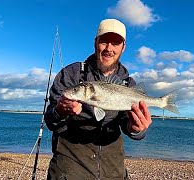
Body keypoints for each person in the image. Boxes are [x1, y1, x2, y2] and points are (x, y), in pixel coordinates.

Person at [45, 18, 152, 180]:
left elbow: (128, 126)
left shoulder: (128, 84)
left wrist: (137, 129)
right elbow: (50, 121)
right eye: (104, 41)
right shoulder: (71, 74)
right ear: (95, 43)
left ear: (123, 47)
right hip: (70, 172)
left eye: (115, 43)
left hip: (113, 172)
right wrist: (59, 111)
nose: (109, 48)